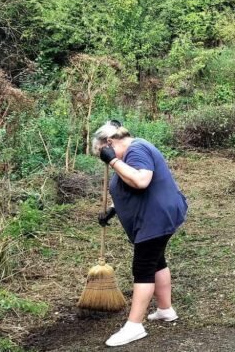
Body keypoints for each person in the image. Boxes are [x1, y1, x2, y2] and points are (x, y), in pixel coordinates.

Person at [92, 120, 188, 347]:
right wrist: (114, 209)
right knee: (157, 261)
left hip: (155, 218)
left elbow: (142, 181)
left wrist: (113, 160)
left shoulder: (136, 149)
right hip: (155, 216)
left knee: (143, 267)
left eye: (102, 152)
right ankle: (165, 309)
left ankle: (134, 326)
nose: (103, 159)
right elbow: (129, 184)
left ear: (109, 142)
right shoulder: (130, 153)